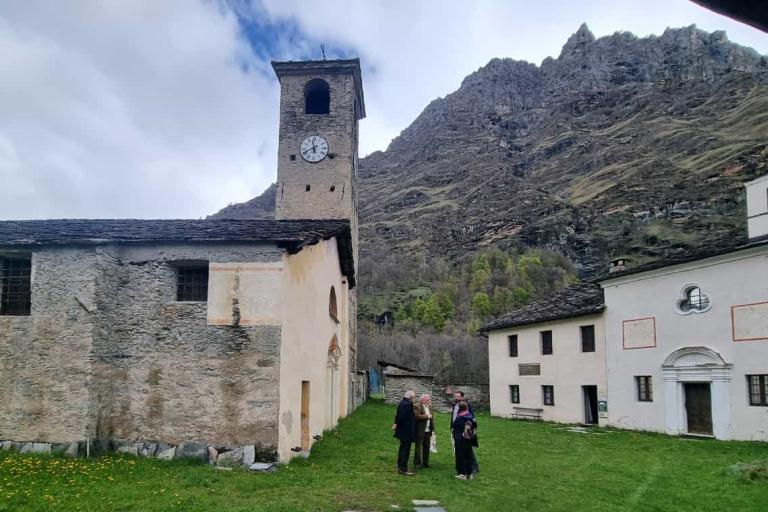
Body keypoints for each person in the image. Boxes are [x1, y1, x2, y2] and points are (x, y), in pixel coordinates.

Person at [449, 391, 479, 475]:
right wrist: (451, 427)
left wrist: (469, 430)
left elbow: (471, 418)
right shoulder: (455, 405)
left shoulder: (466, 406)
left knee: (468, 450)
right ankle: (464, 467)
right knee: (461, 451)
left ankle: (474, 467)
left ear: (462, 397)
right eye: (455, 396)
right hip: (456, 429)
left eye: (458, 397)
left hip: (464, 432)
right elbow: (453, 417)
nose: (456, 398)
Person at [392, 390, 417, 476]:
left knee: (403, 448)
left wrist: (396, 424)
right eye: (414, 398)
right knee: (405, 450)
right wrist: (397, 424)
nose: (414, 399)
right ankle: (403, 469)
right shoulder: (406, 404)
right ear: (410, 397)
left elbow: (398, 416)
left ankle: (400, 466)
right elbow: (400, 417)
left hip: (404, 430)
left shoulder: (403, 403)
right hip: (406, 431)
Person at [413, 394, 434, 468]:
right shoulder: (417, 406)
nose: (428, 401)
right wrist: (427, 416)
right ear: (422, 400)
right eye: (427, 400)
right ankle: (417, 463)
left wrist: (433, 429)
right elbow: (417, 416)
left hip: (428, 430)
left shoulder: (430, 407)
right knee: (418, 447)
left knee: (427, 447)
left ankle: (426, 463)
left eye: (429, 399)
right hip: (420, 430)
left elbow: (432, 419)